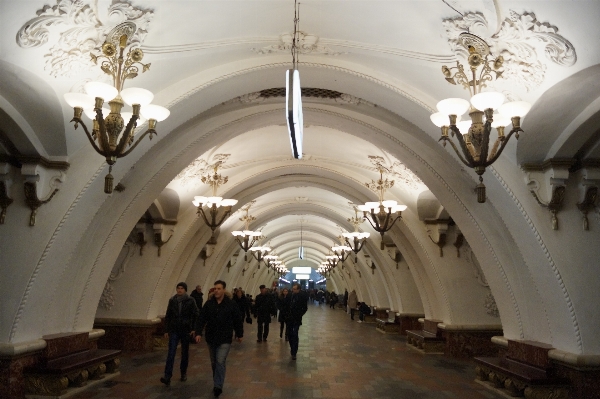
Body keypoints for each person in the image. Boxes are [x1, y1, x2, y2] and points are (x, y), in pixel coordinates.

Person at [195, 280, 243, 398]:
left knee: (220, 361)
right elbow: (201, 318)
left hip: (225, 337)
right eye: (215, 288)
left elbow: (237, 319)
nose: (216, 290)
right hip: (211, 337)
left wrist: (239, 334)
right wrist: (198, 333)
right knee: (214, 362)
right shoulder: (209, 304)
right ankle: (217, 380)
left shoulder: (231, 304)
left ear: (224, 290)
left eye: (219, 288)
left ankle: (218, 385)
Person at [160, 282, 199, 387]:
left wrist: (193, 328)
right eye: (178, 288)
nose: (179, 290)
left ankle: (183, 372)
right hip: (174, 330)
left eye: (182, 288)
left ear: (185, 290)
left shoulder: (191, 300)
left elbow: (196, 314)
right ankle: (167, 376)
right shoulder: (172, 301)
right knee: (171, 352)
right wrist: (166, 330)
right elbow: (168, 316)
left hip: (185, 330)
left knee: (184, 353)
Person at [286, 283, 308, 360]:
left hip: (296, 319)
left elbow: (305, 308)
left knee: (295, 334)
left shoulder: (302, 297)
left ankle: (294, 352)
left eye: (295, 289)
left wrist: (300, 314)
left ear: (299, 289)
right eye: (293, 288)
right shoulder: (290, 296)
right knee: (289, 334)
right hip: (289, 318)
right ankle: (292, 347)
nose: (293, 290)